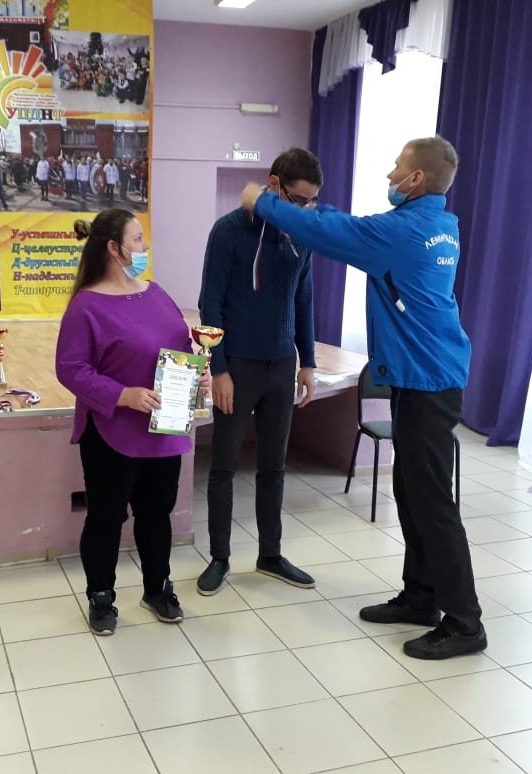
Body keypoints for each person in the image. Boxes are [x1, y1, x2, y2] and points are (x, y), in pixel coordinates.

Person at [241, 136, 485, 661]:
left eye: (398, 167)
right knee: (411, 493)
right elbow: (353, 227)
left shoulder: (404, 231)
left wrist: (264, 203)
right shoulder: (440, 223)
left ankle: (465, 623)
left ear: (416, 179)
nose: (390, 174)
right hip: (426, 376)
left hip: (428, 382)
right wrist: (317, 211)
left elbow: (336, 235)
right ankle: (421, 597)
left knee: (433, 504)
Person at [55, 209, 211, 636]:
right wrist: (122, 395)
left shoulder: (156, 293)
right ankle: (100, 595)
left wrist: (198, 372)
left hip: (164, 428)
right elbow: (71, 369)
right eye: (138, 239)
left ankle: (157, 588)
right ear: (114, 248)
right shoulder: (86, 306)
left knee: (157, 513)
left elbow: (180, 345)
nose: (145, 247)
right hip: (112, 432)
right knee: (106, 517)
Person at [196, 147, 320, 598]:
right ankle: (220, 557)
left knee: (274, 466)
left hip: (281, 367)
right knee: (224, 467)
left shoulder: (301, 235)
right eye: (298, 200)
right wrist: (220, 369)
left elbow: (303, 301)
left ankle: (270, 554)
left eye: (311, 202)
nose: (304, 209)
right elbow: (210, 302)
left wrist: (308, 362)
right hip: (238, 367)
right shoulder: (228, 230)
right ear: (273, 185)